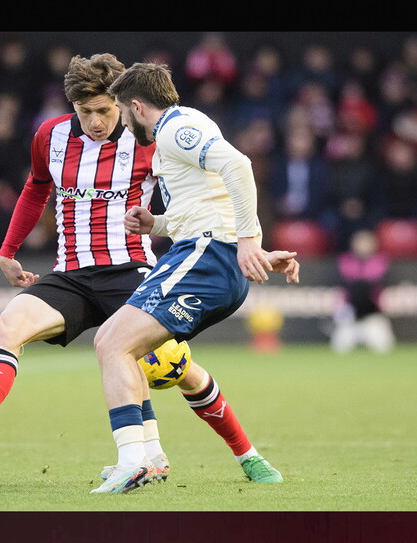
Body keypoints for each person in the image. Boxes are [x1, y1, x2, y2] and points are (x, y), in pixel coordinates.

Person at [0, 53, 285, 492]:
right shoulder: (49, 137)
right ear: (72, 106)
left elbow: (207, 186)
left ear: (124, 104)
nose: (95, 121)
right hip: (70, 273)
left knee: (169, 368)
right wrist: (9, 249)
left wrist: (235, 236)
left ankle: (245, 453)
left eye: (105, 111)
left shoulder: (149, 139)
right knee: (4, 325)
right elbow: (36, 188)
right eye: (84, 111)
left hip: (132, 271)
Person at [89, 61, 300, 494]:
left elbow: (238, 167)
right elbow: (206, 199)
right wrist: (157, 225)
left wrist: (247, 241)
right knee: (128, 348)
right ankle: (150, 458)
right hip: (202, 251)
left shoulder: (173, 129)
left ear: (134, 106)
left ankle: (136, 460)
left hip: (208, 256)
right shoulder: (182, 129)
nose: (124, 128)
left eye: (123, 118)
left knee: (113, 343)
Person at [329, 229, 395, 354]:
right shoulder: (346, 261)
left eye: (366, 243)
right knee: (340, 347)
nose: (363, 246)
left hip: (372, 313)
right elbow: (348, 284)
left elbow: (373, 283)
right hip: (350, 312)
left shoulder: (380, 261)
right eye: (360, 243)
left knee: (384, 347)